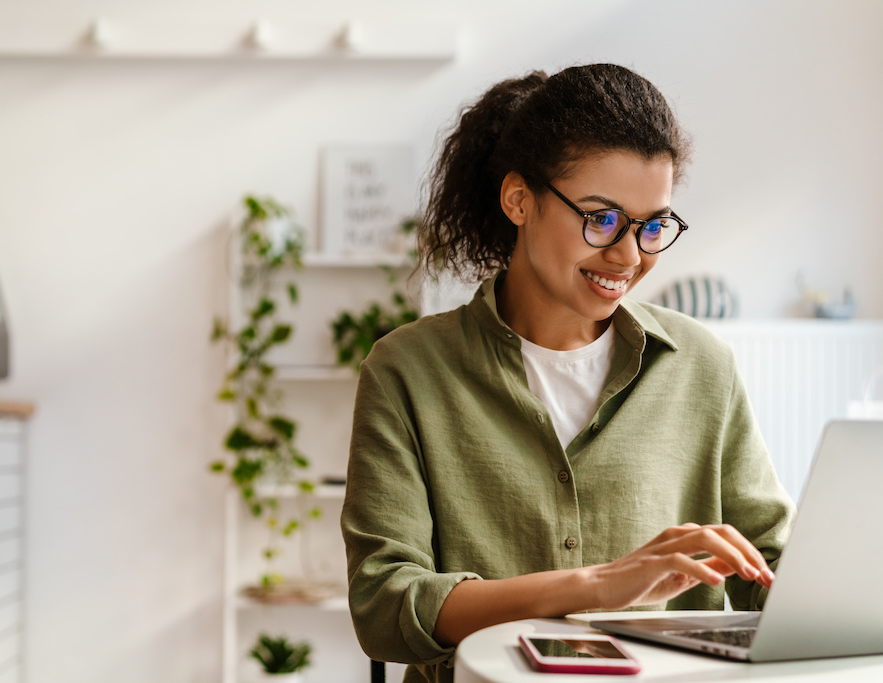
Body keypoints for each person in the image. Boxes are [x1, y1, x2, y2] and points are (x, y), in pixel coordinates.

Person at [340, 64, 795, 683]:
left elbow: (771, 567)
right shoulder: (408, 370)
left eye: (652, 226)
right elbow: (385, 608)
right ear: (519, 199)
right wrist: (596, 585)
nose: (629, 256)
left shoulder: (701, 366)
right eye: (601, 218)